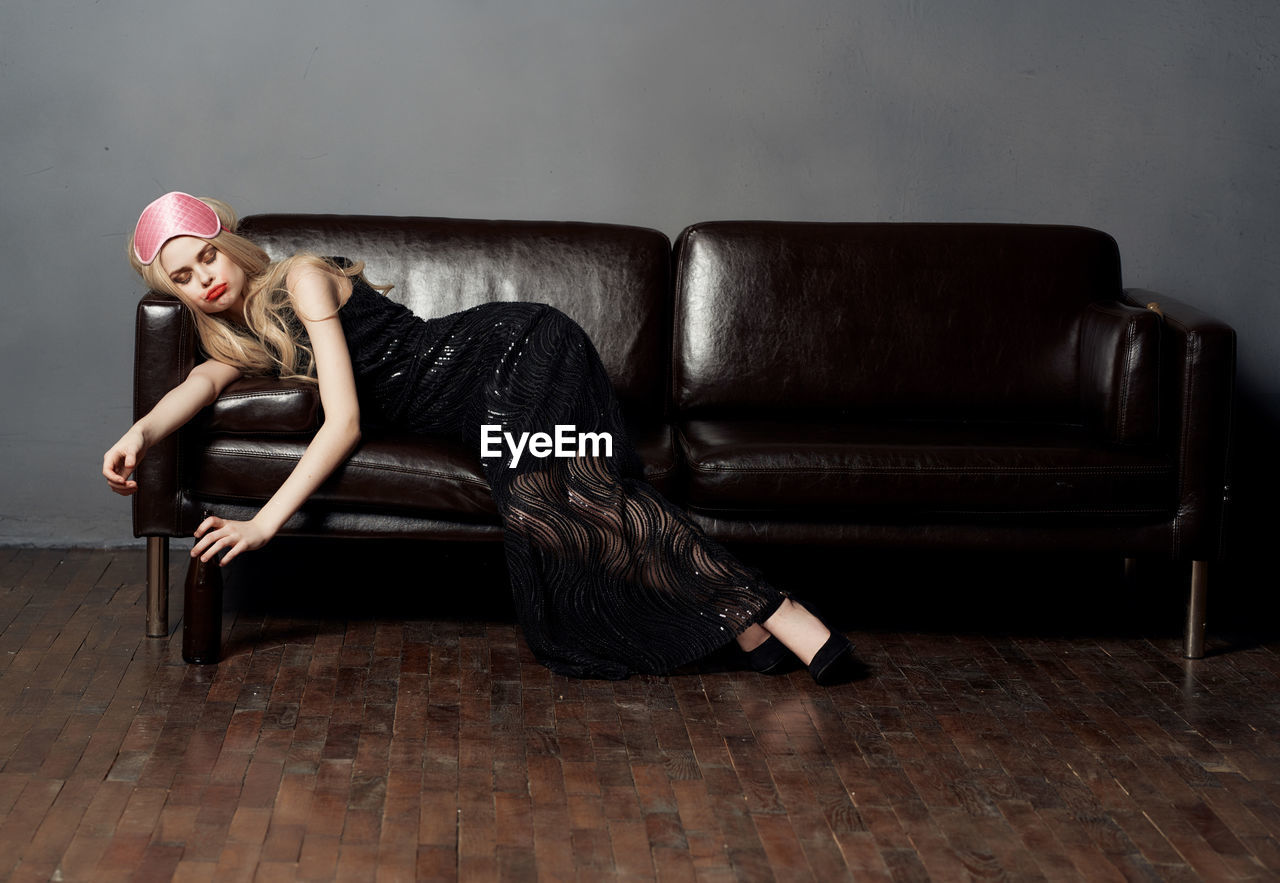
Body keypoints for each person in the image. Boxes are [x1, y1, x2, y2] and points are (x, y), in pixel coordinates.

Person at [104, 192, 866, 684]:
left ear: (230, 243)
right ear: (172, 290)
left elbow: (346, 421)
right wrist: (137, 434)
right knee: (558, 511)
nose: (203, 276)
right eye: (182, 275)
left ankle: (783, 610)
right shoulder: (238, 342)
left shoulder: (301, 278)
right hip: (482, 402)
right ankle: (745, 624)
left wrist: (265, 521)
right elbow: (199, 385)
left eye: (207, 255)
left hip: (513, 350)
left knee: (571, 497)